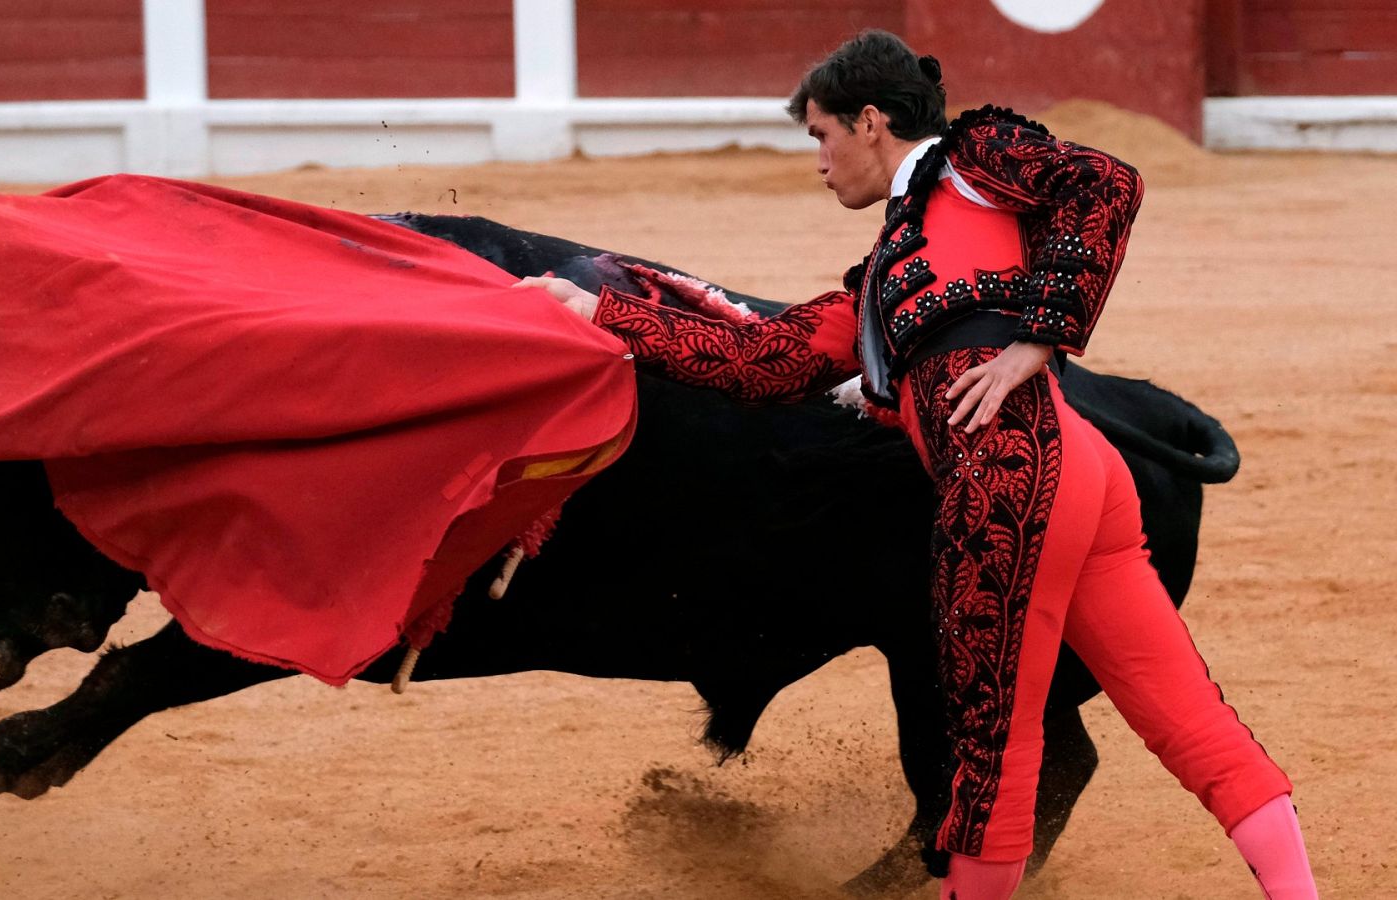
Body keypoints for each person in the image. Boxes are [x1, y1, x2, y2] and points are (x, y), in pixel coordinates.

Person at [514, 30, 1318, 900]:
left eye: (820, 136)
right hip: (1077, 477)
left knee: (989, 752)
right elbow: (764, 359)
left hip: (1007, 486)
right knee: (1188, 722)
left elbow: (1107, 182)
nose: (818, 162)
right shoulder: (886, 274)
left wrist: (1039, 342)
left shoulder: (975, 159)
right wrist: (598, 309)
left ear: (869, 122)